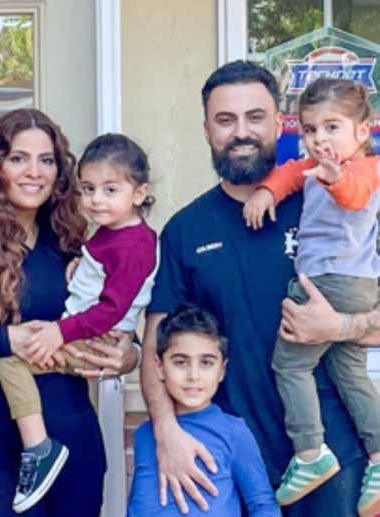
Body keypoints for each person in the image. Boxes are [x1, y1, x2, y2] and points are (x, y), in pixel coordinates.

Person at [141, 60, 380, 517]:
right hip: (228, 454)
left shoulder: (337, 206)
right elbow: (157, 339)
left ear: (279, 124)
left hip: (336, 454)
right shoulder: (186, 230)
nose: (241, 132)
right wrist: (166, 431)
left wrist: (339, 326)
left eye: (255, 117)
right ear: (207, 130)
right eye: (225, 120)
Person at [0, 108, 139, 517]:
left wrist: (127, 355)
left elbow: (114, 319)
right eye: (18, 158)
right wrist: (6, 339)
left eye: (46, 160)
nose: (34, 172)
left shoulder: (73, 244)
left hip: (72, 439)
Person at [242, 77, 380, 514]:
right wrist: (267, 190)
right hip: (352, 284)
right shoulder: (315, 166)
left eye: (332, 127)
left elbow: (355, 196)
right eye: (310, 129)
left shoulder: (365, 169)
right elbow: (290, 173)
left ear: (363, 130)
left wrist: (336, 178)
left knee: (290, 364)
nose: (320, 139)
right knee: (350, 374)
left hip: (332, 281)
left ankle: (309, 452)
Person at [128, 305, 280, 516]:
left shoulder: (234, 431)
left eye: (206, 363)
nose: (193, 375)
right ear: (160, 367)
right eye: (180, 362)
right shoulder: (146, 433)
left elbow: (262, 504)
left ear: (222, 370)